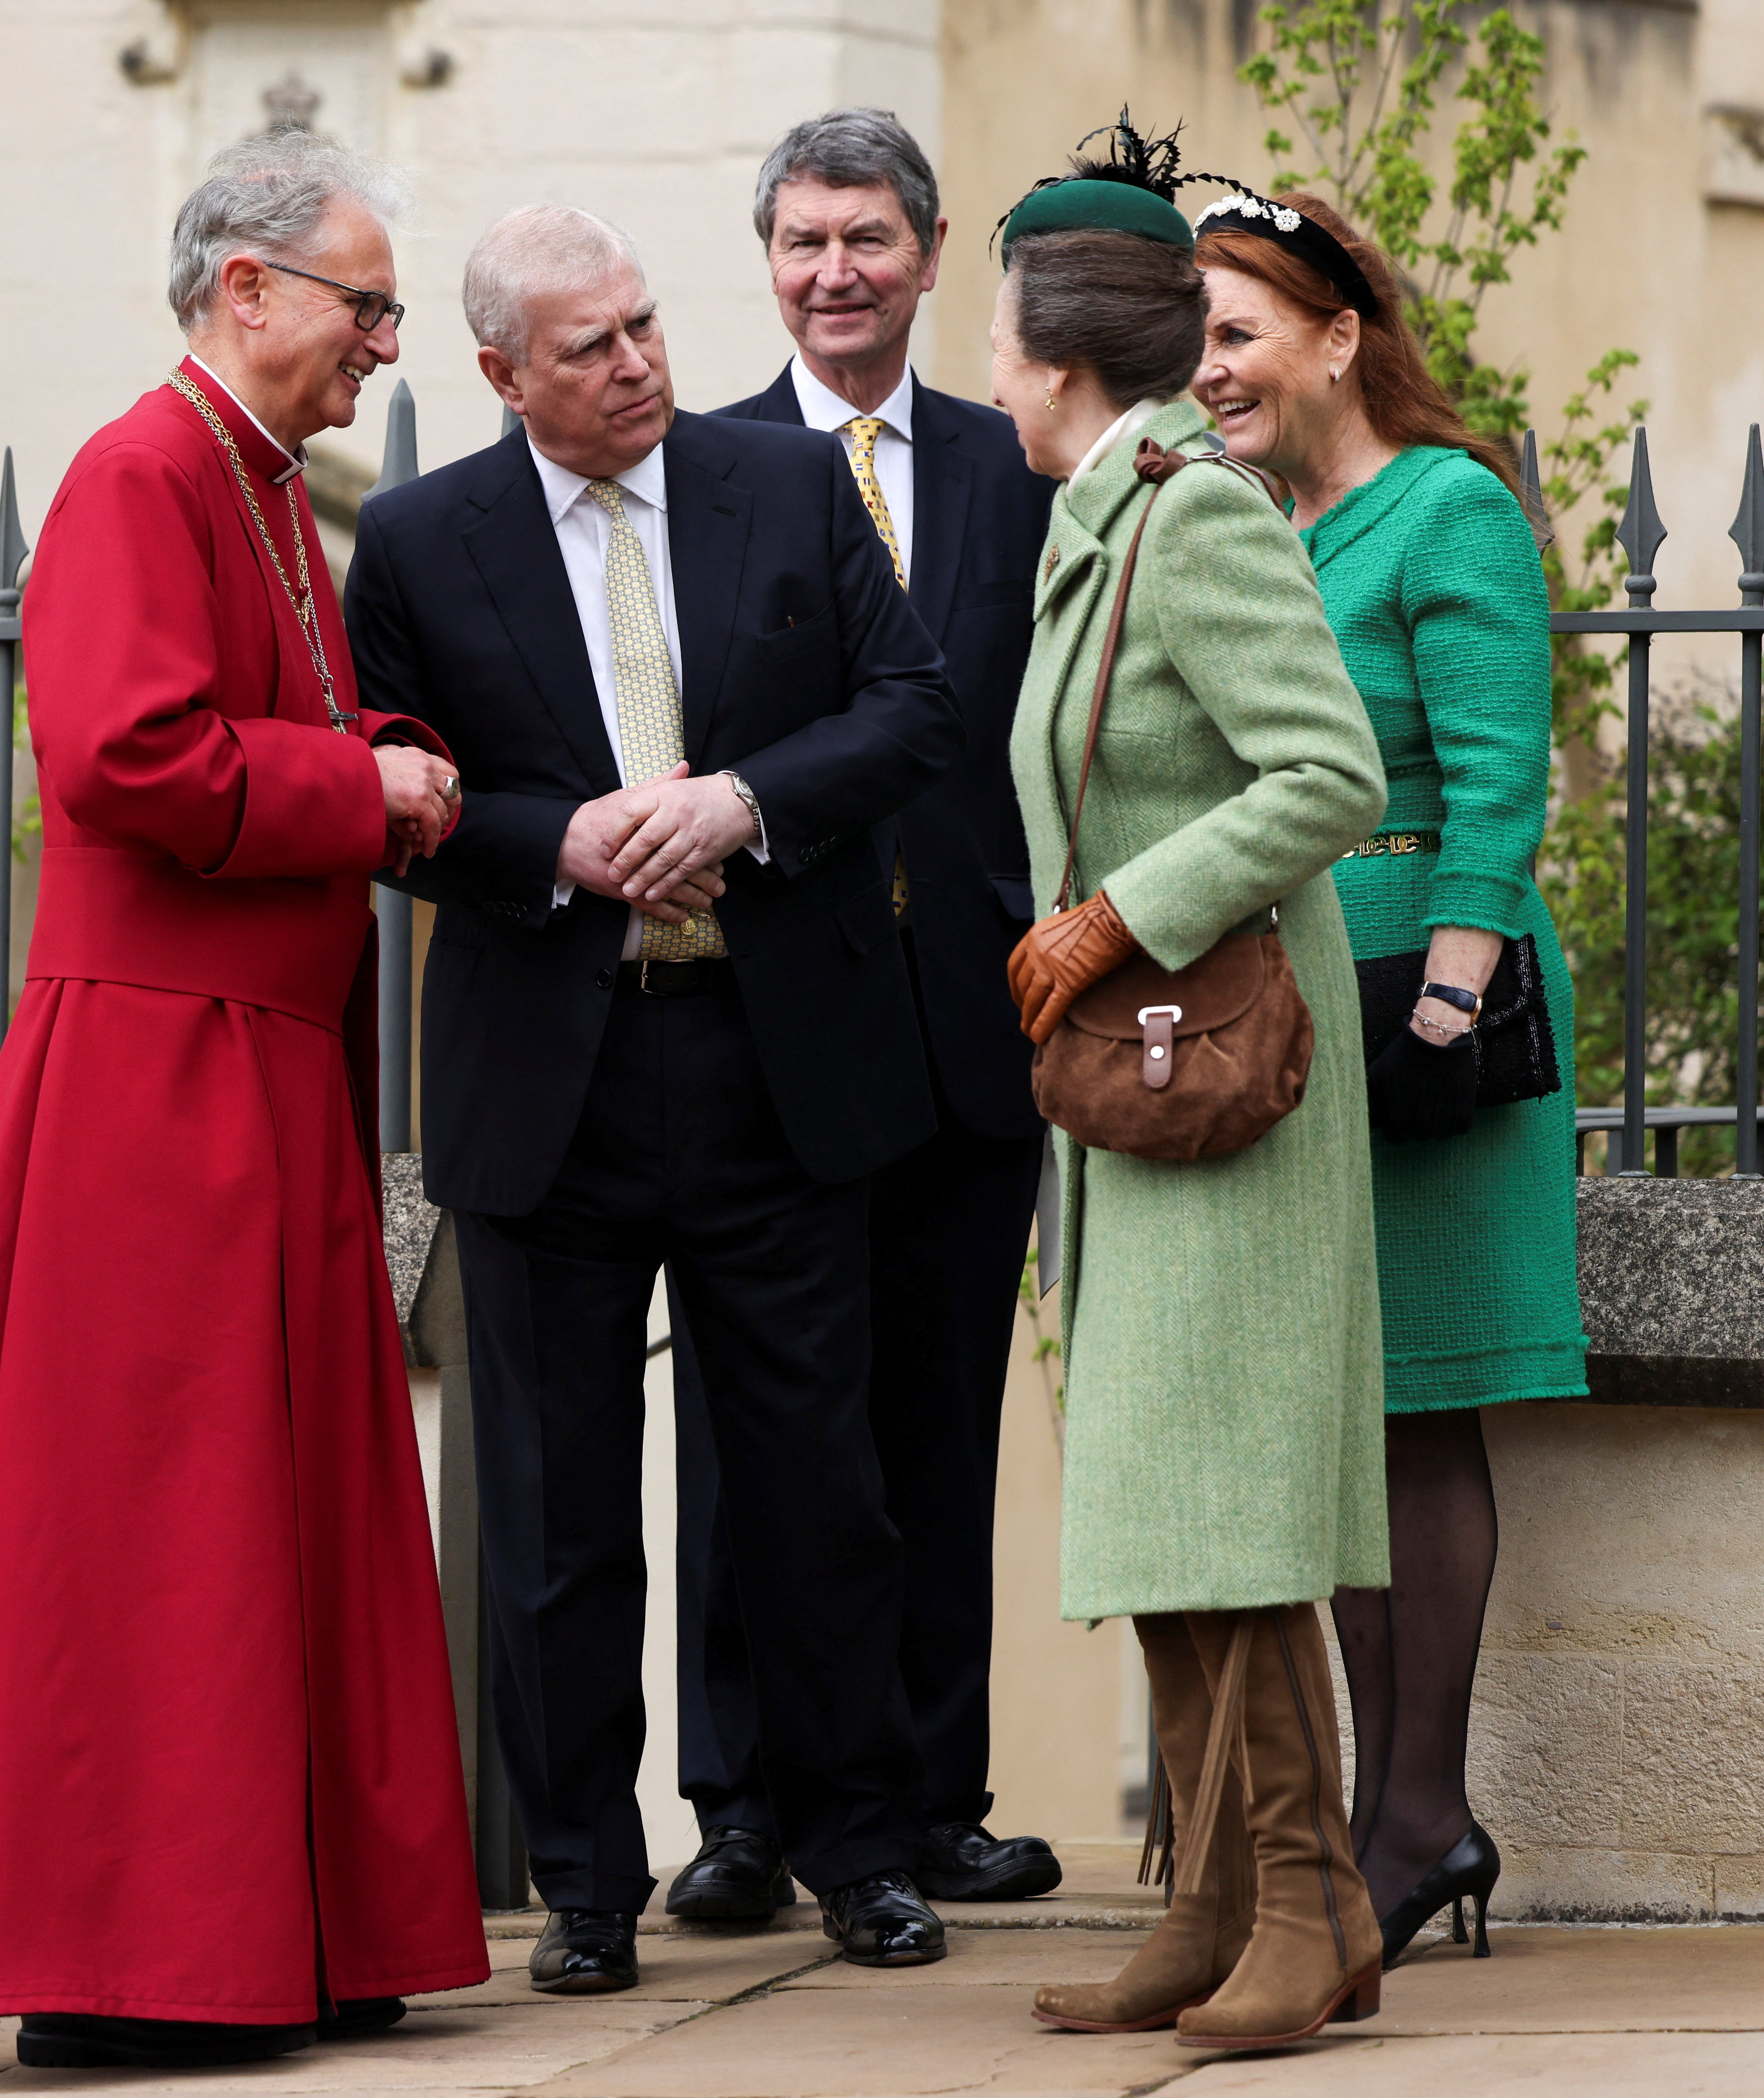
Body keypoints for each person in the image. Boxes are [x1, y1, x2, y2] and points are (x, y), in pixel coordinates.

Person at [0, 135, 489, 2072]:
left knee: (270, 1515)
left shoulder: (247, 481)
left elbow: (264, 712)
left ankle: (286, 1929)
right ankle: (131, 1955)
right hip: (159, 1073)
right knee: (156, 1527)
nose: (384, 346)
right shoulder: (141, 469)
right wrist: (361, 796)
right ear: (246, 287)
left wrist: (381, 755)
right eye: (363, 305)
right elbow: (131, 753)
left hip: (252, 1065)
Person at [343, 205, 965, 1993]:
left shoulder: (780, 482)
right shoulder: (415, 540)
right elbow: (395, 789)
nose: (637, 363)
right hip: (555, 1078)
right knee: (553, 1514)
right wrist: (561, 839)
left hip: (776, 1061)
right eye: (590, 345)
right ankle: (584, 1885)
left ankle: (854, 1848)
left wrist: (739, 802)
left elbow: (911, 708)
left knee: (812, 1486)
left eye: (641, 327)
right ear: (499, 375)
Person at [982, 126, 1391, 2053]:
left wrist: (1110, 919)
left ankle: (1310, 1903)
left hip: (1231, 1078)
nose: (981, 368)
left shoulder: (1193, 512)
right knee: (1160, 1496)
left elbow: (1326, 773)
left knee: (1224, 1496)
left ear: (1051, 350)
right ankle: (1214, 1897)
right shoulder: (1095, 516)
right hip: (1140, 1096)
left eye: (993, 331)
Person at [658, 107, 1062, 1924]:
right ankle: (742, 1807)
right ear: (766, 260)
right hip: (763, 1025)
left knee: (934, 1416)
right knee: (755, 1430)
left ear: (928, 250)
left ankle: (924, 1794)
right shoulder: (692, 465)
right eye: (804, 240)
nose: (835, 272)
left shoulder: (1014, 464)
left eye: (867, 240)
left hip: (975, 1013)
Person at [1189, 184, 1586, 1969]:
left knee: (1420, 1402)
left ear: (1339, 334)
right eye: (1195, 340)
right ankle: (1386, 1815)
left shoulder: (1447, 503)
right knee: (1347, 1413)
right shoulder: (1274, 524)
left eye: (1234, 333)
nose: (1208, 371)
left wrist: (1444, 999)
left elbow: (1501, 770)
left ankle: (1418, 1810)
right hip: (1307, 1011)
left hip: (1424, 999)